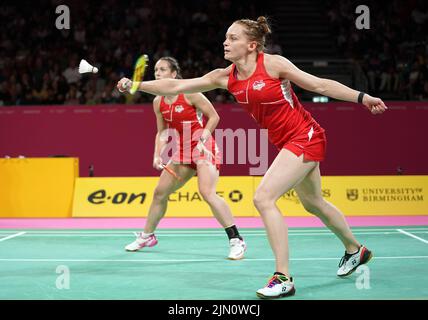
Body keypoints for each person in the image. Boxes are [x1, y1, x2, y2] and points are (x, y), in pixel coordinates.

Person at [118, 17, 387, 299]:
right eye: (226, 37)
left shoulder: (273, 64)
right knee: (313, 202)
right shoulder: (225, 76)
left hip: (305, 135)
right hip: (285, 141)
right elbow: (175, 87)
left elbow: (319, 85)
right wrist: (137, 86)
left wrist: (361, 97)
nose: (226, 42)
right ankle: (356, 250)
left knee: (263, 197)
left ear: (252, 45)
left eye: (233, 38)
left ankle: (283, 277)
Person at [124, 57, 247, 260]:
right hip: (182, 152)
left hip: (203, 148)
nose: (158, 73)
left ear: (174, 74)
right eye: (155, 70)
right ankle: (147, 236)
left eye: (163, 69)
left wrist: (204, 138)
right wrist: (157, 155)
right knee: (159, 193)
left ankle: (236, 239)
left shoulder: (190, 93)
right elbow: (162, 133)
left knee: (207, 192)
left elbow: (214, 116)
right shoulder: (158, 101)